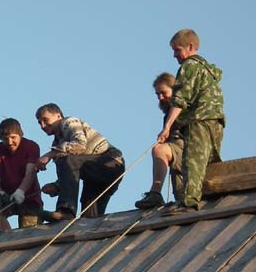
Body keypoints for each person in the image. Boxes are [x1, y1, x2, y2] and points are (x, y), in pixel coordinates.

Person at [157, 29, 225, 213]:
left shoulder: (189, 67)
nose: (174, 55)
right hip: (216, 122)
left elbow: (180, 100)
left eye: (177, 50)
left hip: (199, 119)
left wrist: (167, 127)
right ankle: (212, 195)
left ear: (190, 47)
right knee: (210, 161)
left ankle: (188, 202)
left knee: (192, 160)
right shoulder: (207, 69)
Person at [35, 103, 125, 221]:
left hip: (110, 162)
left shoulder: (69, 122)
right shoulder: (57, 145)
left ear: (58, 115)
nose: (42, 125)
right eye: (39, 123)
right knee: (88, 219)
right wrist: (56, 186)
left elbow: (79, 146)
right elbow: (68, 174)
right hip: (93, 174)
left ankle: (66, 210)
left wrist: (49, 155)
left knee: (69, 159)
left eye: (45, 120)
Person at [134, 72, 185, 209]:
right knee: (181, 197)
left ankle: (155, 193)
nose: (160, 98)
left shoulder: (186, 107)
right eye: (157, 94)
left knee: (159, 150)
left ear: (174, 90)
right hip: (178, 159)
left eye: (163, 93)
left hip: (188, 151)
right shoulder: (167, 115)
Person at [0, 118, 43, 230]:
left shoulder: (31, 146)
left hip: (30, 197)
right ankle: (6, 237)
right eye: (5, 139)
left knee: (30, 232)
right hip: (6, 196)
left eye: (13, 137)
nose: (10, 142)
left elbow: (30, 173)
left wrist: (21, 191)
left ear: (21, 134)